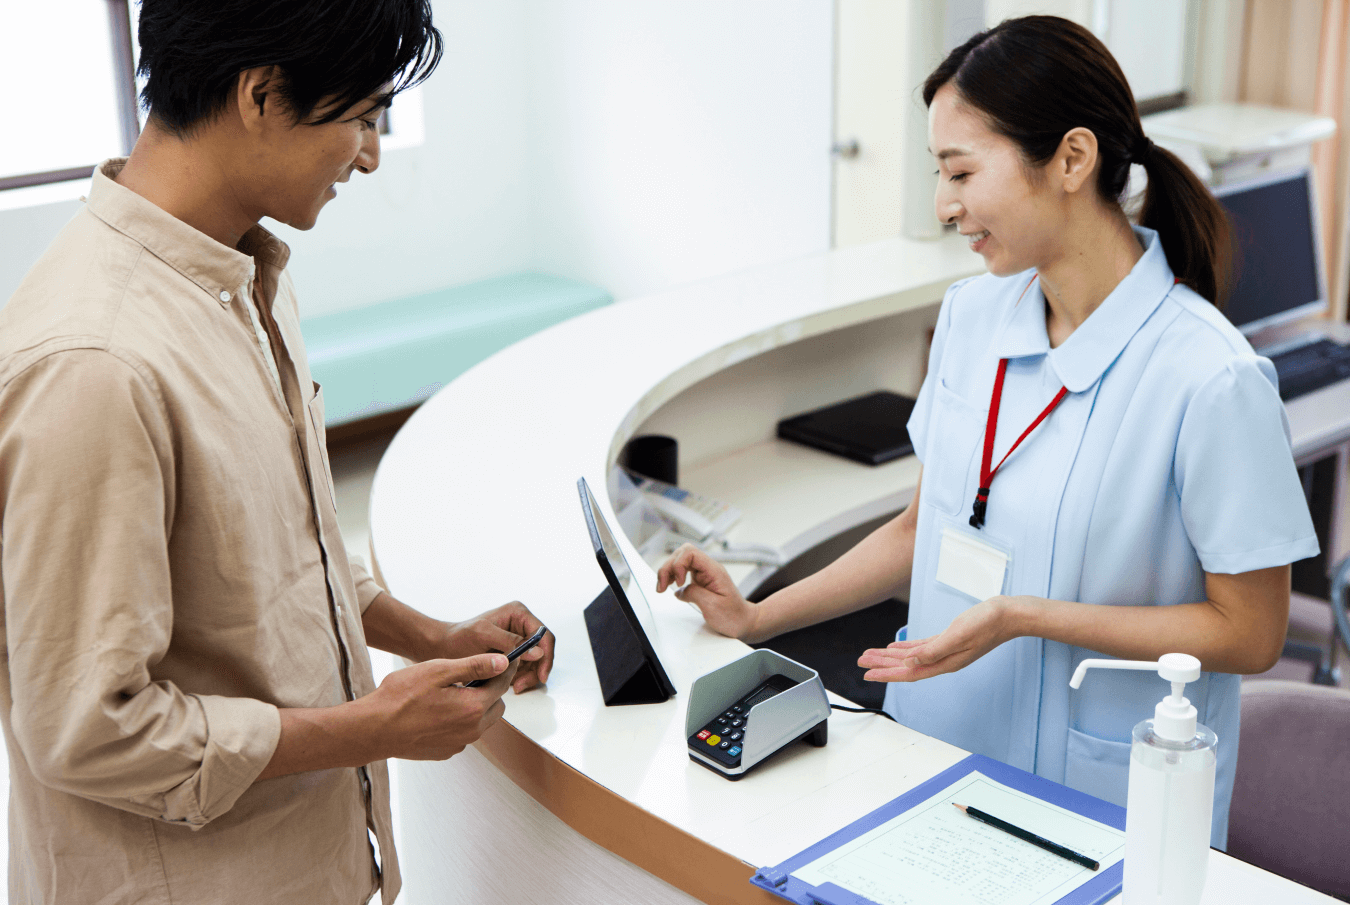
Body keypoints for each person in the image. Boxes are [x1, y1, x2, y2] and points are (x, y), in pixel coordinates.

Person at [656, 15, 1317, 849]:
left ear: (1072, 160)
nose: (944, 205)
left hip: (1099, 800)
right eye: (940, 172)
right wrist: (758, 616)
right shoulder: (972, 317)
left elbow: (1252, 633)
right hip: (929, 759)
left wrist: (1025, 615)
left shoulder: (1209, 378)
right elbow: (918, 529)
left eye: (961, 170)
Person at [0, 2, 554, 903]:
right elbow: (89, 728)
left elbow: (272, 553)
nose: (371, 154)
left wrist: (428, 636)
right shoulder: (92, 363)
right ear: (262, 94)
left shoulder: (241, 274)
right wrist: (372, 726)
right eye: (364, 117)